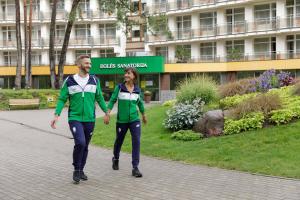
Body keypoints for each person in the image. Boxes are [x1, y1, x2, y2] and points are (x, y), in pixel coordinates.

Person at [50, 55, 109, 184]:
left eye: (90, 63)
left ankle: (81, 169)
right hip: (75, 117)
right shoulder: (70, 80)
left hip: (90, 119)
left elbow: (99, 98)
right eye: (87, 63)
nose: (89, 65)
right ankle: (76, 169)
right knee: (80, 143)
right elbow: (62, 99)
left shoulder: (94, 80)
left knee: (85, 145)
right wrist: (56, 115)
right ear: (79, 65)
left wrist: (106, 112)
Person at [106, 67, 147, 178]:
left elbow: (140, 103)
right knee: (119, 141)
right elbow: (112, 101)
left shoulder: (137, 90)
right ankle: (116, 158)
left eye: (128, 73)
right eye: (125, 73)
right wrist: (107, 113)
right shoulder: (119, 88)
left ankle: (135, 167)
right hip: (122, 121)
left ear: (134, 76)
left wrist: (143, 115)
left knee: (136, 141)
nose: (126, 75)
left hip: (134, 119)